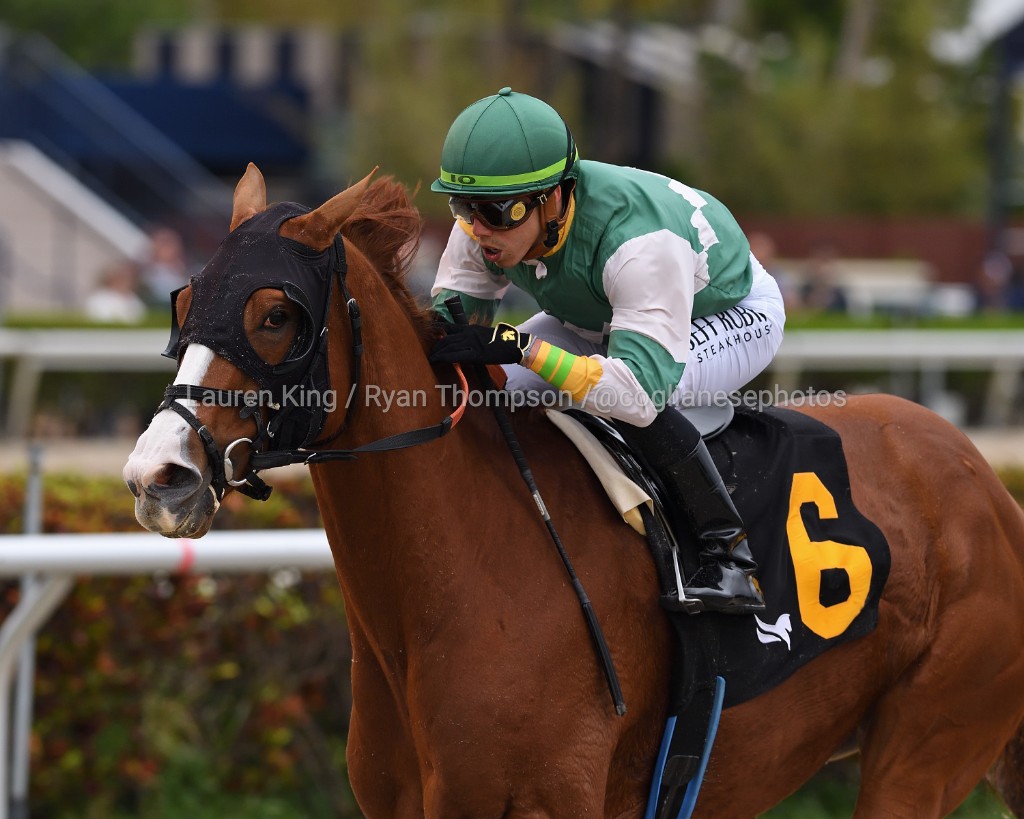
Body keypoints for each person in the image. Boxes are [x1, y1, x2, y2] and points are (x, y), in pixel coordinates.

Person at [428, 88, 786, 614]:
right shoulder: (483, 227)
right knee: (491, 396)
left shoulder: (639, 243)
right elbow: (447, 338)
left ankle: (730, 554)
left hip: (726, 312)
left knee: (639, 401)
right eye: (463, 208)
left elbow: (639, 392)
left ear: (553, 198)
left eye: (496, 212)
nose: (478, 228)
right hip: (602, 315)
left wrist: (519, 346)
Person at [84, 259, 147, 323]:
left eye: (128, 278)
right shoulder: (99, 299)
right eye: (121, 277)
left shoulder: (134, 299)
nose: (125, 282)